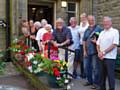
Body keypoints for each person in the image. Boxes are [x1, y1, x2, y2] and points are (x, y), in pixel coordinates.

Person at [96, 16, 119, 90]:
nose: (105, 23)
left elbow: (114, 44)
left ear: (111, 22)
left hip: (110, 58)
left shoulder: (115, 31)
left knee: (110, 76)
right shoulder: (102, 32)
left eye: (107, 21)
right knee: (101, 76)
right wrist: (99, 53)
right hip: (101, 57)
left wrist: (103, 52)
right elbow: (97, 44)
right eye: (104, 22)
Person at [83, 15, 102, 89]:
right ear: (88, 21)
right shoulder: (87, 29)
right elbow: (84, 40)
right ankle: (89, 81)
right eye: (89, 20)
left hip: (95, 52)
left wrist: (96, 42)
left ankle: (96, 83)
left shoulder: (99, 29)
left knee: (95, 68)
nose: (91, 21)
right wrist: (84, 51)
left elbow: (102, 40)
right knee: (86, 67)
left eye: (92, 20)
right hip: (87, 52)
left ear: (94, 20)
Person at [79, 13, 89, 78]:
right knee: (81, 59)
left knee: (86, 59)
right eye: (81, 17)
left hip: (87, 44)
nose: (82, 18)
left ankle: (86, 74)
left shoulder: (88, 24)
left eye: (83, 17)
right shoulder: (80, 24)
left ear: (86, 17)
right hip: (81, 43)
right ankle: (82, 73)